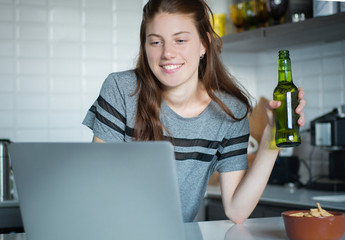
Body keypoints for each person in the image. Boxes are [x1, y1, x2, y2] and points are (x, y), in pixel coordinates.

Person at [83, 0, 306, 224]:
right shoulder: (121, 89)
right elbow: (99, 185)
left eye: (180, 40)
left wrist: (272, 138)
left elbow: (237, 211)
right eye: (155, 42)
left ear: (204, 44)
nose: (167, 53)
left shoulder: (231, 112)